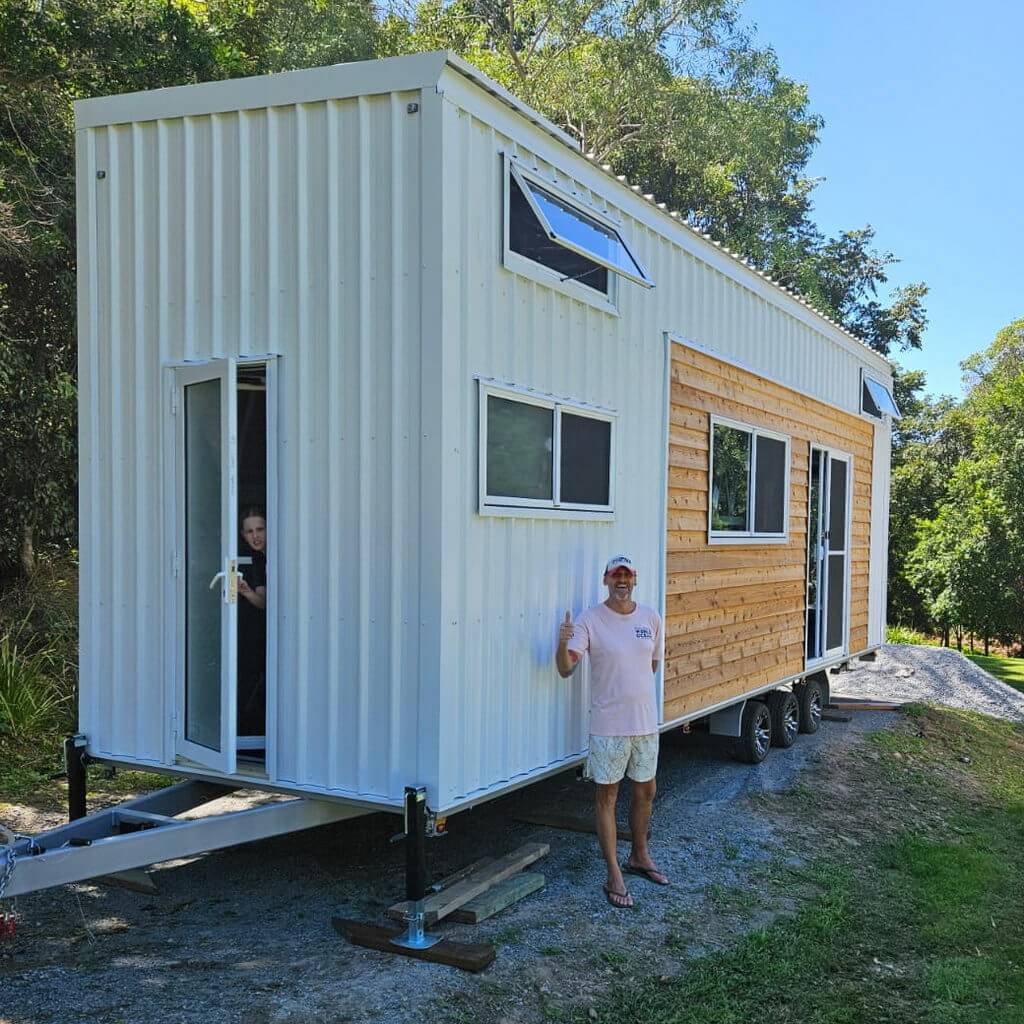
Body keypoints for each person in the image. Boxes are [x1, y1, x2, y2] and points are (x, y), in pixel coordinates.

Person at [555, 555, 667, 909]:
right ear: (606, 580)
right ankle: (613, 873)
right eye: (616, 575)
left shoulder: (651, 617)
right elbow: (566, 669)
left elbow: (650, 665)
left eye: (627, 575)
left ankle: (639, 855)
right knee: (607, 797)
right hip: (608, 727)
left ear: (635, 580)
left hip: (646, 723)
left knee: (646, 791)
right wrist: (562, 643)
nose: (622, 581)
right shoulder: (590, 620)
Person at [237, 507, 267, 739]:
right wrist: (246, 592)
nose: (255, 536)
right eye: (249, 532)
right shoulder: (258, 559)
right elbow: (264, 602)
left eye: (260, 529)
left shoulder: (275, 554)